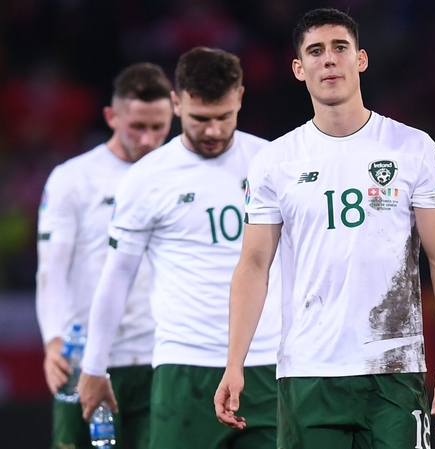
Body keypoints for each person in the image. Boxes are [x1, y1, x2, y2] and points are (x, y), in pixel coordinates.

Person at [214, 7, 435, 449]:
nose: (328, 59)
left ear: (361, 59)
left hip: (394, 369)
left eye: (339, 48)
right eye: (315, 51)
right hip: (309, 370)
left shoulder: (413, 148)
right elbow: (254, 264)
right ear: (299, 68)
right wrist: (234, 362)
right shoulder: (276, 161)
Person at [76, 47, 281, 449]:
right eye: (199, 119)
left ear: (240, 97)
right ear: (176, 103)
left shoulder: (273, 162)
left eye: (224, 117)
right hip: (185, 367)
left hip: (269, 365)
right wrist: (94, 364)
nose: (213, 131)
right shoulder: (147, 178)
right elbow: (118, 275)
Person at [36, 62, 173, 449]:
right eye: (137, 127)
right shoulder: (72, 178)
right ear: (111, 116)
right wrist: (53, 341)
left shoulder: (180, 176)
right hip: (87, 357)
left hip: (159, 356)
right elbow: (51, 270)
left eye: (158, 127)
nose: (148, 139)